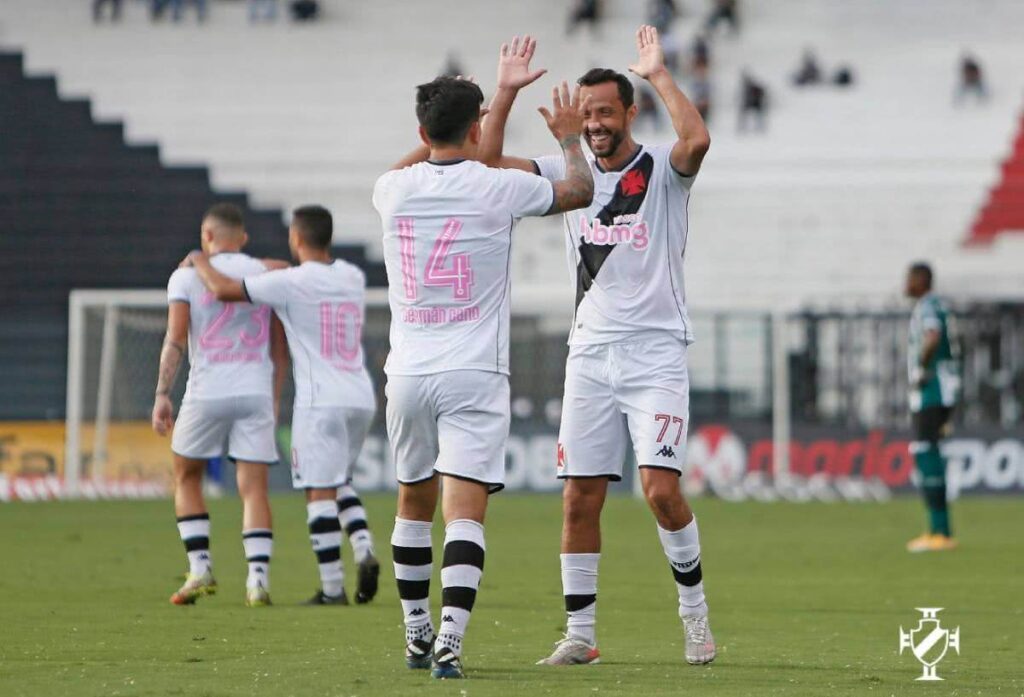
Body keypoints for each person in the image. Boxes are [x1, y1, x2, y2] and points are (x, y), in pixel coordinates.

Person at [479, 25, 715, 667]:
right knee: (579, 496)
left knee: (661, 492)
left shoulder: (662, 169)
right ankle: (580, 636)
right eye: (586, 115)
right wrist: (503, 93)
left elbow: (698, 139)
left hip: (657, 352)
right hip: (589, 356)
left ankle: (695, 617)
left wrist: (659, 72)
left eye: (606, 111)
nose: (595, 124)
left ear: (629, 112)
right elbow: (487, 163)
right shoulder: (565, 169)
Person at [373, 42, 594, 679]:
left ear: (421, 130)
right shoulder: (500, 187)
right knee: (464, 509)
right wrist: (568, 137)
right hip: (474, 371)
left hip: (408, 371)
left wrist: (477, 107)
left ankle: (415, 633)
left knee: (411, 503)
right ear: (477, 129)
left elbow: (416, 159)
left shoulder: (392, 189)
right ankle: (449, 639)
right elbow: (578, 190)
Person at [184, 205, 382, 605]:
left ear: (295, 239)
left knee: (317, 489)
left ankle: (331, 589)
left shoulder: (290, 282)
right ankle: (362, 545)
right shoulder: (352, 275)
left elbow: (223, 289)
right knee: (338, 477)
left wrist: (199, 259)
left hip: (320, 399)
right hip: (359, 394)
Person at [151, 203, 287, 607]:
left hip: (206, 390)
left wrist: (162, 394)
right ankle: (257, 580)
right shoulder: (265, 271)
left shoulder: (186, 276)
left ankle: (200, 567)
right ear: (242, 239)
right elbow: (285, 266)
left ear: (205, 236)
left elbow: (175, 339)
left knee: (187, 476)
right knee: (254, 488)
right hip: (255, 390)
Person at [904, 263, 961, 553]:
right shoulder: (939, 304)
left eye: (909, 279)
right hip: (944, 388)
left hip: (933, 389)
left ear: (920, 281)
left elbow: (932, 336)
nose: (905, 284)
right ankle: (941, 530)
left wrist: (922, 368)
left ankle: (938, 531)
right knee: (931, 451)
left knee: (926, 453)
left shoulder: (927, 306)